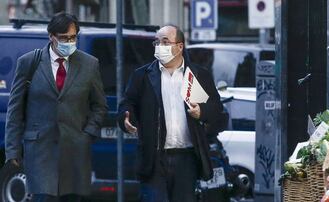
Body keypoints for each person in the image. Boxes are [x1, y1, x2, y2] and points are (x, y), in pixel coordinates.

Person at [5, 12, 107, 202]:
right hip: (40, 151)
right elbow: (15, 110)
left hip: (74, 153)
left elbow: (99, 106)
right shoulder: (29, 62)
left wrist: (87, 134)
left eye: (73, 37)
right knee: (44, 198)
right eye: (63, 38)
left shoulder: (89, 64)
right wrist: (12, 150)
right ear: (51, 36)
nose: (69, 42)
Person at [118, 25, 224, 202]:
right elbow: (127, 103)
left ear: (180, 46)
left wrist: (202, 112)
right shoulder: (143, 76)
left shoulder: (198, 75)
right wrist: (126, 118)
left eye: (165, 42)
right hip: (154, 158)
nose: (160, 46)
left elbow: (217, 109)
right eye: (157, 42)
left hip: (187, 158)